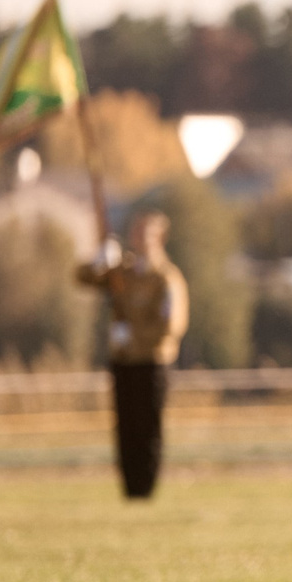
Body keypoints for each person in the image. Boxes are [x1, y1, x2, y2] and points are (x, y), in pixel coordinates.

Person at [75, 209, 188, 501]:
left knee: (147, 426)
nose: (140, 239)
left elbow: (171, 325)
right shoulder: (123, 273)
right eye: (137, 232)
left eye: (146, 233)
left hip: (152, 360)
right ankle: (129, 488)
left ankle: (146, 488)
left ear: (159, 238)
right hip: (124, 360)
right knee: (125, 426)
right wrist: (100, 258)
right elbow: (82, 278)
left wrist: (133, 334)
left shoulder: (166, 278)